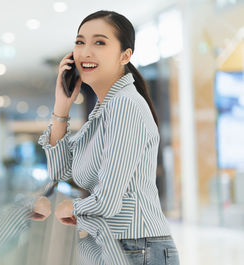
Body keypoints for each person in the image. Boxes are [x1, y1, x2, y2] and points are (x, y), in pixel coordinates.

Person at [33, 10, 180, 265]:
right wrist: (61, 108)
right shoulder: (105, 109)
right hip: (119, 245)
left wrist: (72, 208)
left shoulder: (124, 105)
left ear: (125, 55)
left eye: (99, 42)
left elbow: (108, 200)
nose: (85, 51)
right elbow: (60, 172)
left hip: (136, 245)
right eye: (80, 42)